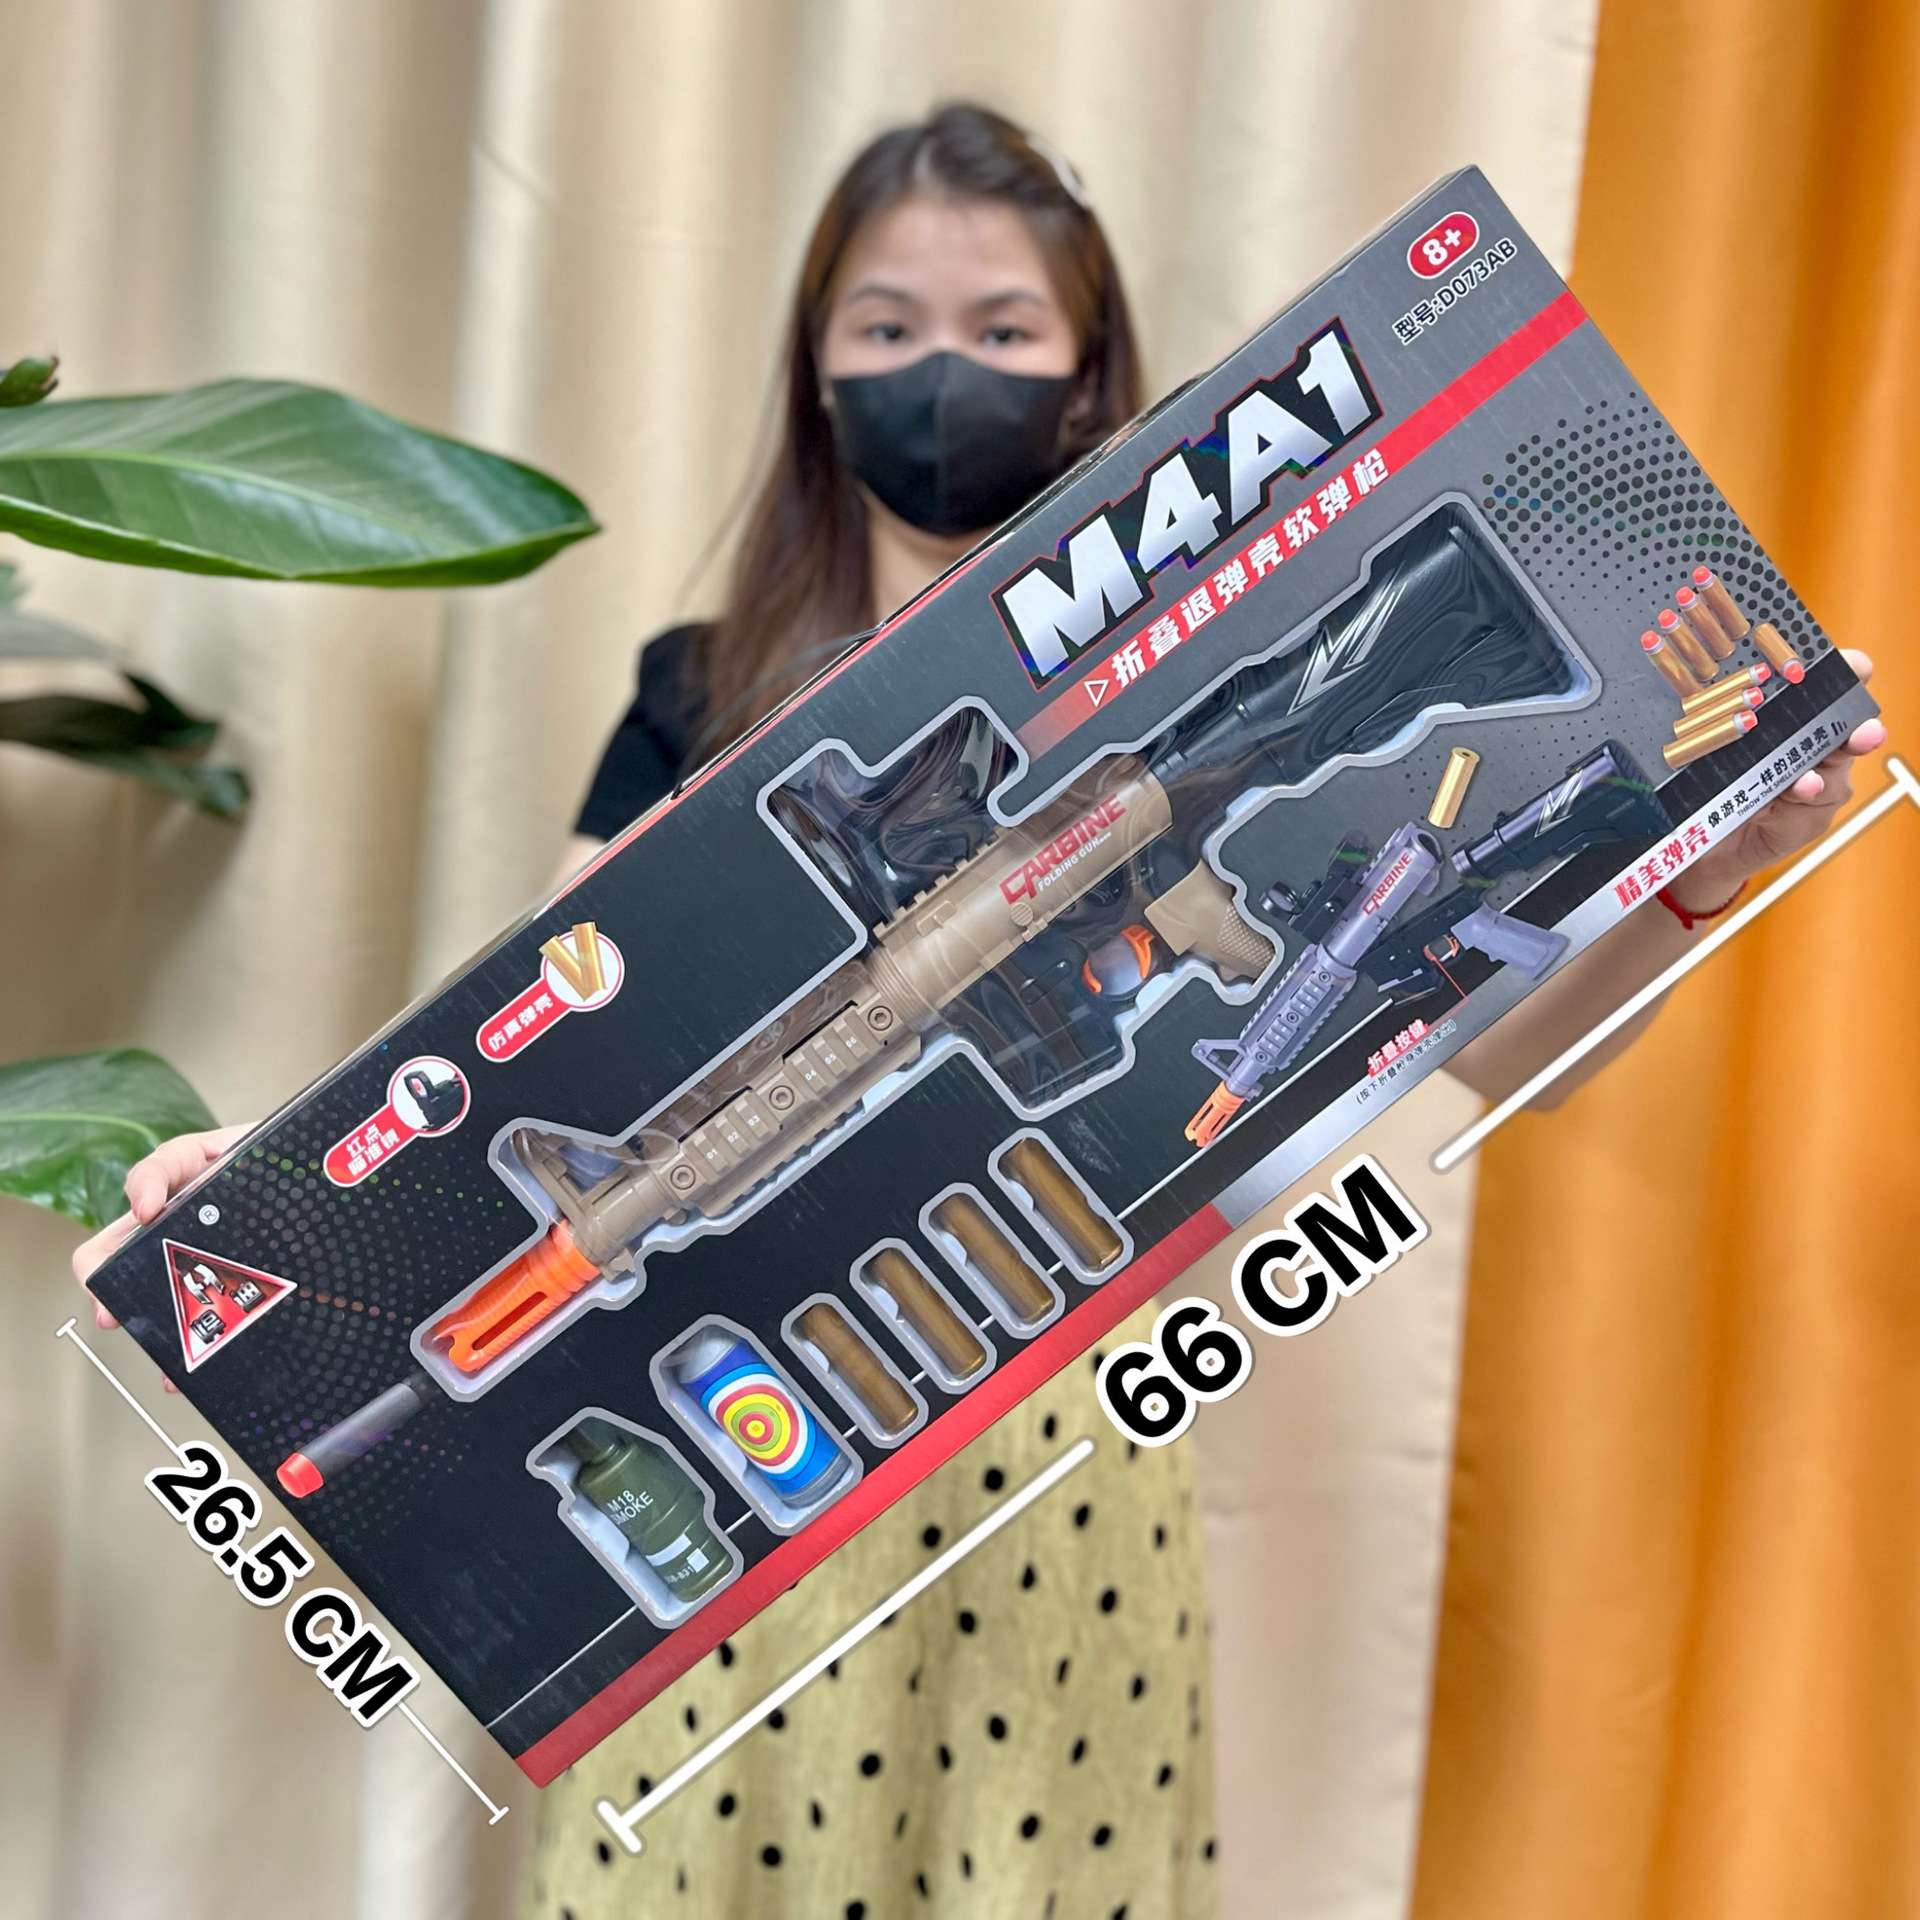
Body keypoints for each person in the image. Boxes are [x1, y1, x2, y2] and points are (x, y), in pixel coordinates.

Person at [74, 102, 1887, 1920]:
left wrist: (1704, 864)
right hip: (730, 1508)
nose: (942, 374)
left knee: (1288, 725)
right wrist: (284, 1192)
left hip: (1048, 1485)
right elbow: (533, 1037)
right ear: (817, 372)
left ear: (1091, 377)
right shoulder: (699, 697)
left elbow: (1522, 1057)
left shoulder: (1197, 664)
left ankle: (1406, 661)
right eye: (887, 327)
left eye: (1003, 329)